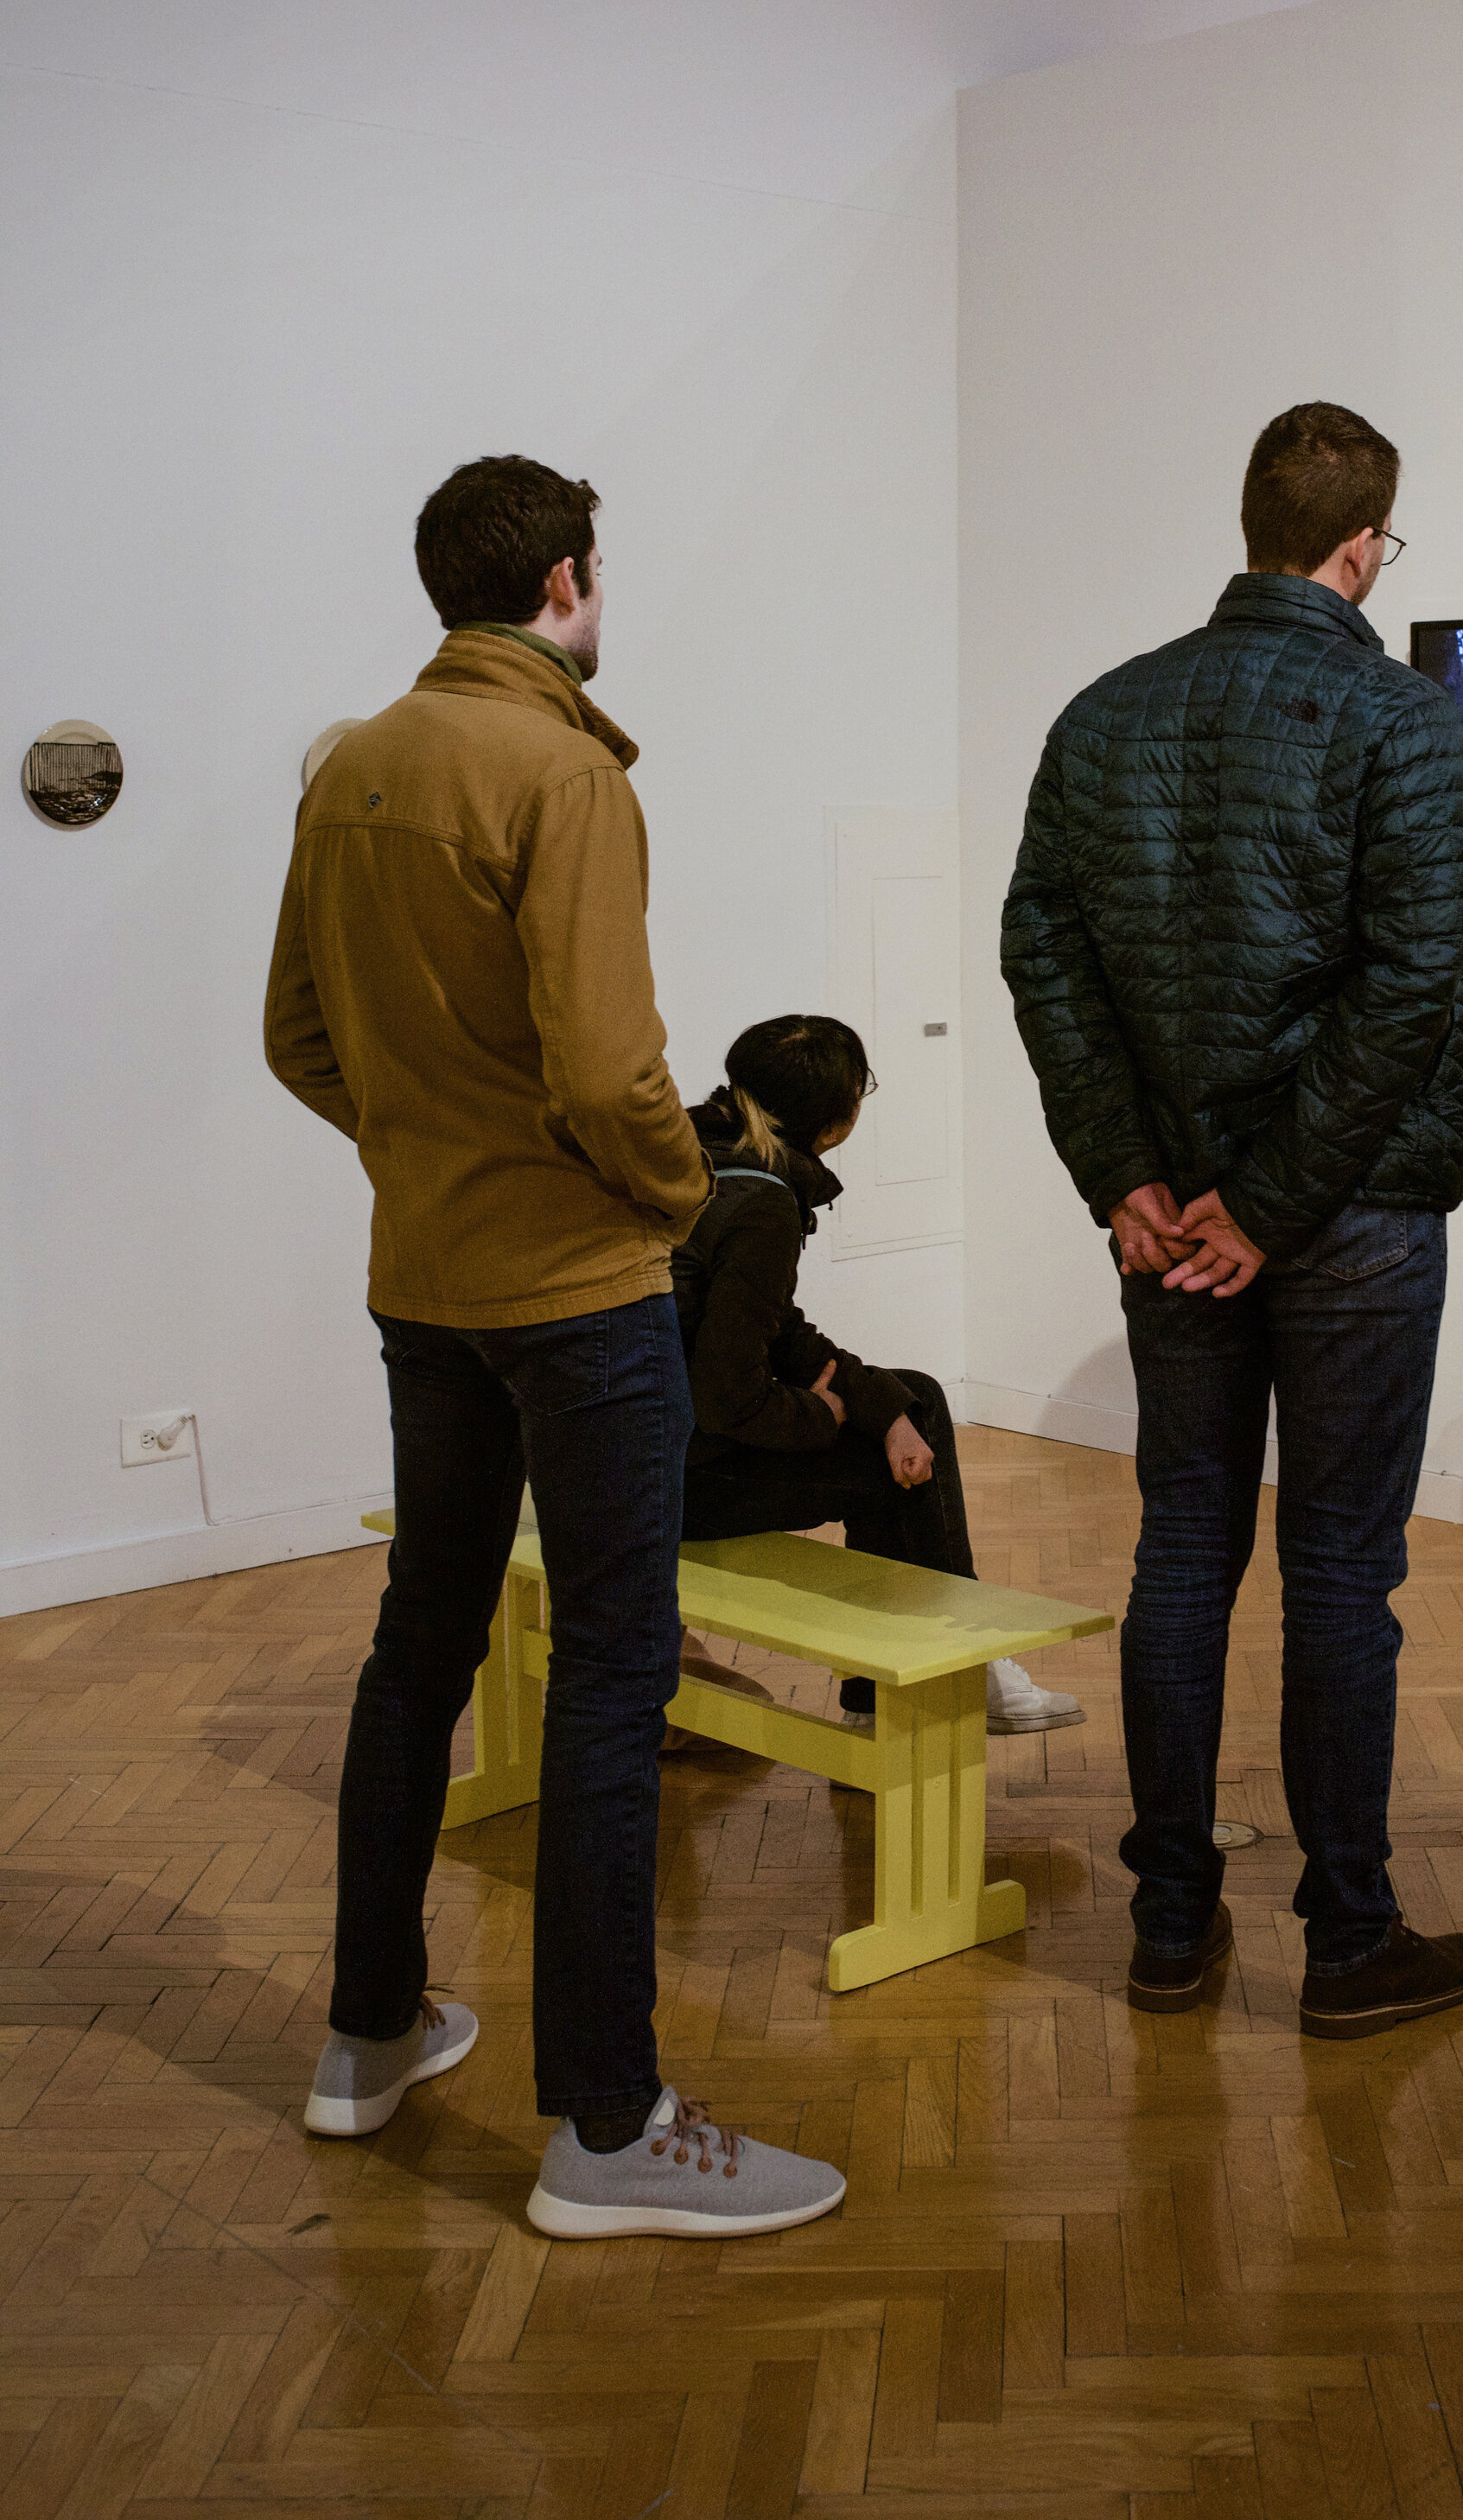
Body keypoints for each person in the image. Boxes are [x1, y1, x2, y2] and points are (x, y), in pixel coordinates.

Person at [265, 455, 845, 2240]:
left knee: (418, 1645)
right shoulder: (563, 767)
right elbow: (608, 1076)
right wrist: (679, 1197)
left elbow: (295, 1036)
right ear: (570, 582)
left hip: (420, 1277)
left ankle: (368, 2036)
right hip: (576, 1290)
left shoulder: (353, 760)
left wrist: (428, 1150)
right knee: (613, 1670)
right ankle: (607, 2121)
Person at [1002, 401, 1463, 2039]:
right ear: (1365, 544)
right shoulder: (1404, 721)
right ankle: (1349, 1942)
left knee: (1186, 1549)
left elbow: (1043, 953)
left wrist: (1124, 1171)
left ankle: (1168, 1922)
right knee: (1342, 1574)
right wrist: (1271, 1206)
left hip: (1179, 1221)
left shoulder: (1103, 716)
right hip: (1343, 1216)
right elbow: (1407, 989)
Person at [671, 1014, 1084, 1736]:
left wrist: (877, 1405)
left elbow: (771, 1327)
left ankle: (898, 1690)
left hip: (626, 1449)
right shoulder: (763, 1203)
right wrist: (823, 1418)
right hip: (677, 1483)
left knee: (911, 1398)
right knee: (897, 1460)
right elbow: (727, 1397)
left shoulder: (697, 1152)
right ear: (836, 1120)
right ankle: (954, 1666)